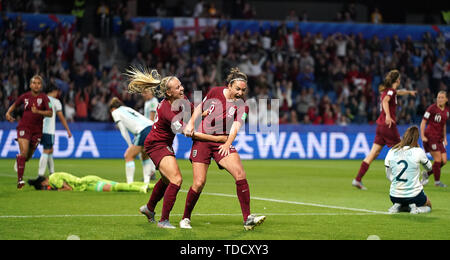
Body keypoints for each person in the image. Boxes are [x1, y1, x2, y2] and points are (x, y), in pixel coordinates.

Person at [124, 67, 227, 229]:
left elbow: (193, 112)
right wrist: (217, 138)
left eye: (181, 85)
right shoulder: (167, 110)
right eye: (178, 87)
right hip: (156, 144)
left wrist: (207, 113)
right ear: (169, 93)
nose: (182, 88)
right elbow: (187, 131)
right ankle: (163, 221)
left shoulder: (181, 100)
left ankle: (149, 208)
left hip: (164, 143)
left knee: (166, 179)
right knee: (176, 179)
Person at [181, 67, 266, 230]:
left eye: (243, 90)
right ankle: (185, 218)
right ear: (229, 86)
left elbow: (235, 127)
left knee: (240, 174)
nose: (241, 93)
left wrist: (227, 144)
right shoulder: (215, 92)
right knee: (199, 183)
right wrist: (191, 124)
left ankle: (247, 218)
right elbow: (200, 109)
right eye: (238, 89)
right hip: (203, 143)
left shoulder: (243, 107)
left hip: (221, 142)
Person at [353, 70, 417, 190]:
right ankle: (404, 182)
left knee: (374, 153)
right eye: (399, 78)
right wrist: (388, 115)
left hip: (380, 126)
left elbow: (397, 93)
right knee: (401, 150)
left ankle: (357, 179)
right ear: (397, 80)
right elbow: (385, 101)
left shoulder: (389, 91)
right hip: (389, 126)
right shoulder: (390, 92)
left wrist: (408, 92)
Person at [5, 75, 53, 189]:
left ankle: (19, 159)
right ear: (30, 85)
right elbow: (15, 104)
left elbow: (50, 113)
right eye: (34, 83)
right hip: (24, 127)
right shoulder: (25, 96)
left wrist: (38, 111)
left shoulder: (45, 98)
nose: (36, 85)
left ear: (41, 86)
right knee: (24, 151)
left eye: (39, 83)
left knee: (27, 157)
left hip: (37, 131)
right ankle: (20, 180)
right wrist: (8, 113)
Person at [385, 126, 432, 214]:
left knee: (401, 199)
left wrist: (399, 184)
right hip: (414, 195)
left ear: (404, 137)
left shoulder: (391, 151)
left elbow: (388, 175)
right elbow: (429, 167)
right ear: (416, 139)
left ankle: (398, 205)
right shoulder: (418, 151)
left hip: (394, 195)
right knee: (428, 205)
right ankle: (415, 208)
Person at [109, 97, 156, 184]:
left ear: (112, 108)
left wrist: (130, 145)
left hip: (143, 130)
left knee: (128, 155)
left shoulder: (115, 112)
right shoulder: (127, 108)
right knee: (145, 155)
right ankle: (146, 183)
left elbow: (123, 130)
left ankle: (129, 184)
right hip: (152, 127)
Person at [38, 84, 72, 178]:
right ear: (54, 91)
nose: (57, 94)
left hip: (39, 129)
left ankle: (52, 173)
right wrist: (68, 130)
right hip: (48, 130)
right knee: (46, 150)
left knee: (50, 150)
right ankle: (40, 175)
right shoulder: (56, 101)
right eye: (57, 92)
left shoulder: (40, 99)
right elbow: (61, 117)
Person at [420, 91, 449, 188]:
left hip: (439, 139)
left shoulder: (447, 111)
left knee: (444, 161)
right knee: (437, 159)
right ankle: (437, 182)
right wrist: (422, 136)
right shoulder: (432, 108)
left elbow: (444, 124)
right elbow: (423, 122)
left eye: (442, 97)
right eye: (438, 97)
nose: (439, 99)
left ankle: (426, 174)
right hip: (430, 137)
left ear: (446, 99)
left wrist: (445, 138)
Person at [27, 172, 152, 193]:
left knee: (115, 188)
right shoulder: (54, 176)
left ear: (43, 183)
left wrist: (56, 190)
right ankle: (151, 185)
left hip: (88, 184)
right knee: (116, 185)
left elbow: (68, 188)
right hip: (89, 180)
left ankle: (140, 189)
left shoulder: (54, 179)